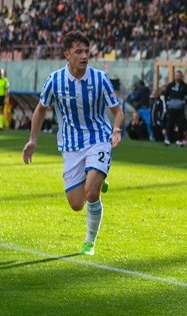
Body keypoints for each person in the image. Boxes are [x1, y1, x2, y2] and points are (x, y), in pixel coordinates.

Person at [21, 30, 123, 257]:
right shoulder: (55, 80)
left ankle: (89, 242)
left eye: (87, 51)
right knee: (77, 204)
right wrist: (32, 141)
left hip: (98, 138)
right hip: (71, 145)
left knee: (91, 192)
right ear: (67, 54)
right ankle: (95, 176)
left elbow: (117, 112)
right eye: (78, 51)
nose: (84, 55)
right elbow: (40, 109)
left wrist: (116, 129)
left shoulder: (100, 79)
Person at [162, 70, 187, 145]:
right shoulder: (170, 85)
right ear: (174, 76)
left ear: (181, 77)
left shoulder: (184, 86)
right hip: (171, 108)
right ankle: (169, 139)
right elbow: (165, 95)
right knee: (170, 124)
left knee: (180, 124)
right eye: (177, 75)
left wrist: (184, 102)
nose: (178, 77)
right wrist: (168, 103)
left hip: (180, 108)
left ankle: (179, 139)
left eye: (179, 75)